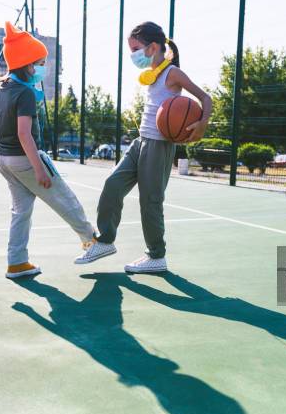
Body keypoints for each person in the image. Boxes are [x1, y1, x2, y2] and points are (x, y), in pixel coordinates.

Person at [75, 21, 212, 273]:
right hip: (141, 142)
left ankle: (156, 256)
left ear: (153, 47)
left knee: (150, 202)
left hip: (159, 145)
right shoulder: (153, 74)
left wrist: (202, 124)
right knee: (112, 185)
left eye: (135, 48)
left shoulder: (172, 73)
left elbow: (206, 98)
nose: (132, 55)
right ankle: (105, 241)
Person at [0, 22, 96, 279]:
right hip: (25, 160)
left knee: (20, 212)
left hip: (4, 160)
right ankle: (92, 240)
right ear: (28, 65)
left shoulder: (1, 89)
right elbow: (24, 134)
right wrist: (39, 168)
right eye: (40, 62)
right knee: (64, 198)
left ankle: (16, 262)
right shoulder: (24, 94)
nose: (42, 68)